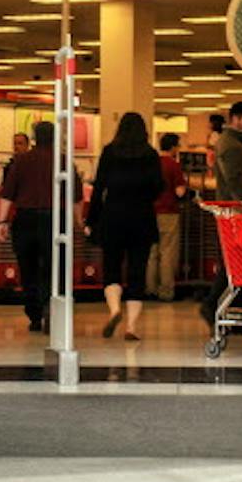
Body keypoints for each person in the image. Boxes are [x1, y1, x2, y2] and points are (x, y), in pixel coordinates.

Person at [89, 113, 165, 341]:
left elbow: (98, 188)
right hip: (141, 217)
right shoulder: (150, 154)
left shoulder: (109, 152)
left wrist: (92, 220)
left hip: (113, 215)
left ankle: (114, 310)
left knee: (111, 266)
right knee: (137, 271)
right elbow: (158, 187)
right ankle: (131, 326)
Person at [0, 120, 76, 334]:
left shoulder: (21, 161)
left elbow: (7, 194)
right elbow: (76, 196)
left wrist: (2, 221)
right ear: (55, 137)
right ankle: (50, 304)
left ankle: (34, 314)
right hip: (56, 219)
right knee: (55, 266)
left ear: (34, 139)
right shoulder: (63, 161)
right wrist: (78, 222)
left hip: (26, 219)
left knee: (28, 267)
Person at [199, 101, 242, 326]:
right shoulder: (233, 146)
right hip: (236, 213)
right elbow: (237, 182)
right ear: (235, 118)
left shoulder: (231, 143)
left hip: (231, 212)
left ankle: (232, 306)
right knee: (235, 261)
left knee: (234, 261)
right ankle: (214, 303)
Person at [147, 132, 190, 301]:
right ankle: (165, 291)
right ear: (173, 147)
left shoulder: (151, 163)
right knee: (167, 252)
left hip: (150, 212)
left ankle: (150, 288)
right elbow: (180, 192)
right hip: (168, 212)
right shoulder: (173, 165)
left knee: (151, 253)